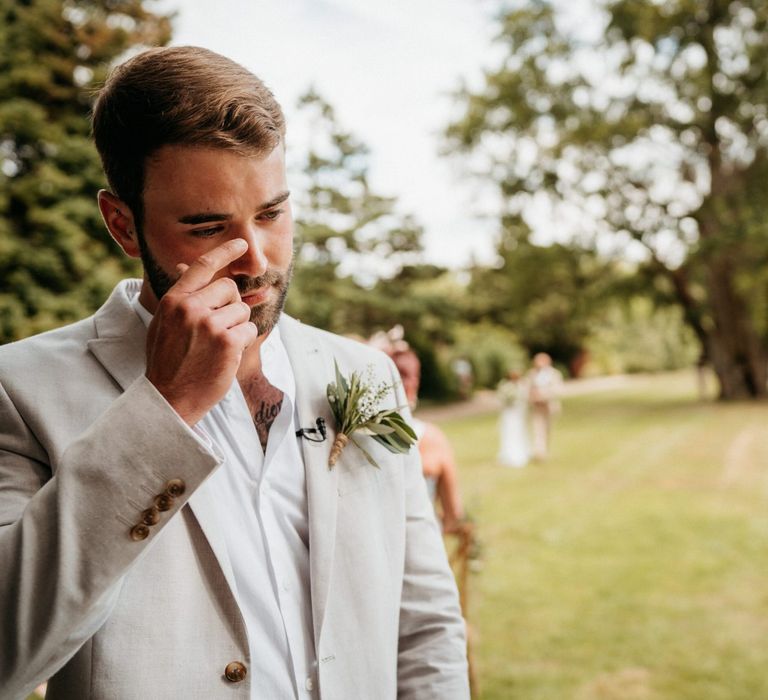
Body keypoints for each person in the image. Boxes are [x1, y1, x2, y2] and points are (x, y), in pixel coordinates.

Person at [0, 47, 468, 700]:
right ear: (122, 225)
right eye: (207, 227)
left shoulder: (366, 374)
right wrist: (163, 410)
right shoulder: (19, 390)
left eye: (272, 214)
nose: (255, 259)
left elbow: (422, 625)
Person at [386, 344, 465, 534]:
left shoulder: (356, 438)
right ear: (414, 384)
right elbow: (453, 512)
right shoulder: (431, 438)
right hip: (422, 543)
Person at [527, 352, 564, 461]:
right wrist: (533, 397)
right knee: (537, 429)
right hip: (536, 407)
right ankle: (539, 452)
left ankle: (545, 450)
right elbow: (527, 389)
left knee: (547, 429)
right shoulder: (531, 374)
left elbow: (558, 390)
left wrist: (544, 396)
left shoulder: (554, 374)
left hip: (549, 406)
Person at [496, 369, 530, 468]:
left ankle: (520, 452)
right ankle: (508, 453)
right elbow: (502, 397)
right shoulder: (505, 385)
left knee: (518, 431)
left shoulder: (522, 385)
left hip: (517, 412)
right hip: (509, 413)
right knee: (508, 432)